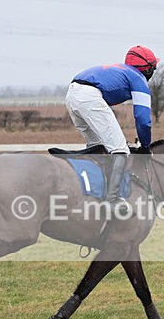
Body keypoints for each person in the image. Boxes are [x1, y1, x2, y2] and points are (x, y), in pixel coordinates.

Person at [65, 45, 159, 214]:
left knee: (98, 148)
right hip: (89, 96)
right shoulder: (138, 79)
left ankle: (93, 193)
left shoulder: (122, 71)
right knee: (120, 150)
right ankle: (113, 200)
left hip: (72, 95)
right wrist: (145, 145)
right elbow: (143, 120)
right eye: (154, 68)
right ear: (148, 69)